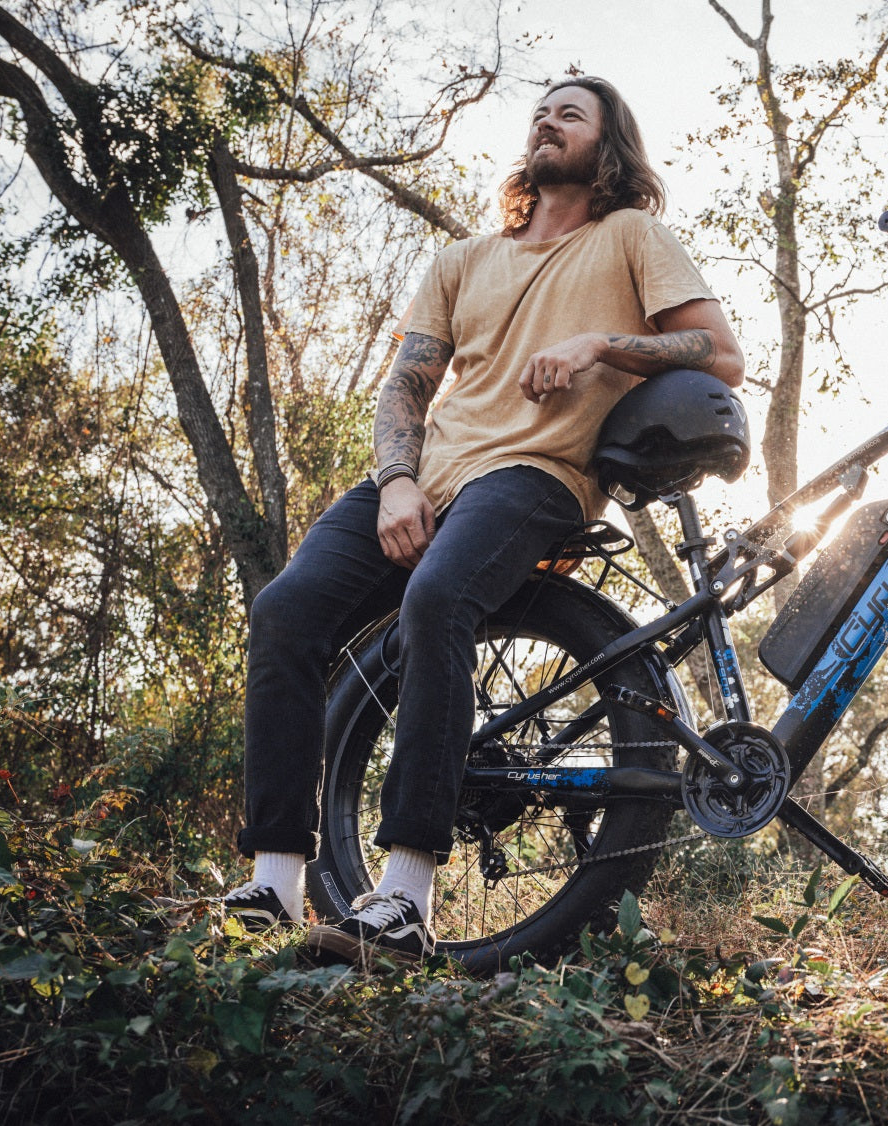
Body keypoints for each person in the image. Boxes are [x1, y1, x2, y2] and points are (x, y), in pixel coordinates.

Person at [219, 76, 744, 967]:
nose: (547, 120)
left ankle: (406, 895)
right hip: (423, 479)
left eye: (570, 113)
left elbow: (720, 352)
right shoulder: (464, 258)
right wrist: (395, 481)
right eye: (541, 110)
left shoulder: (630, 237)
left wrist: (597, 344)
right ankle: (276, 877)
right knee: (286, 613)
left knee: (437, 598)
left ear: (607, 146)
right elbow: (407, 385)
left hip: (536, 474)